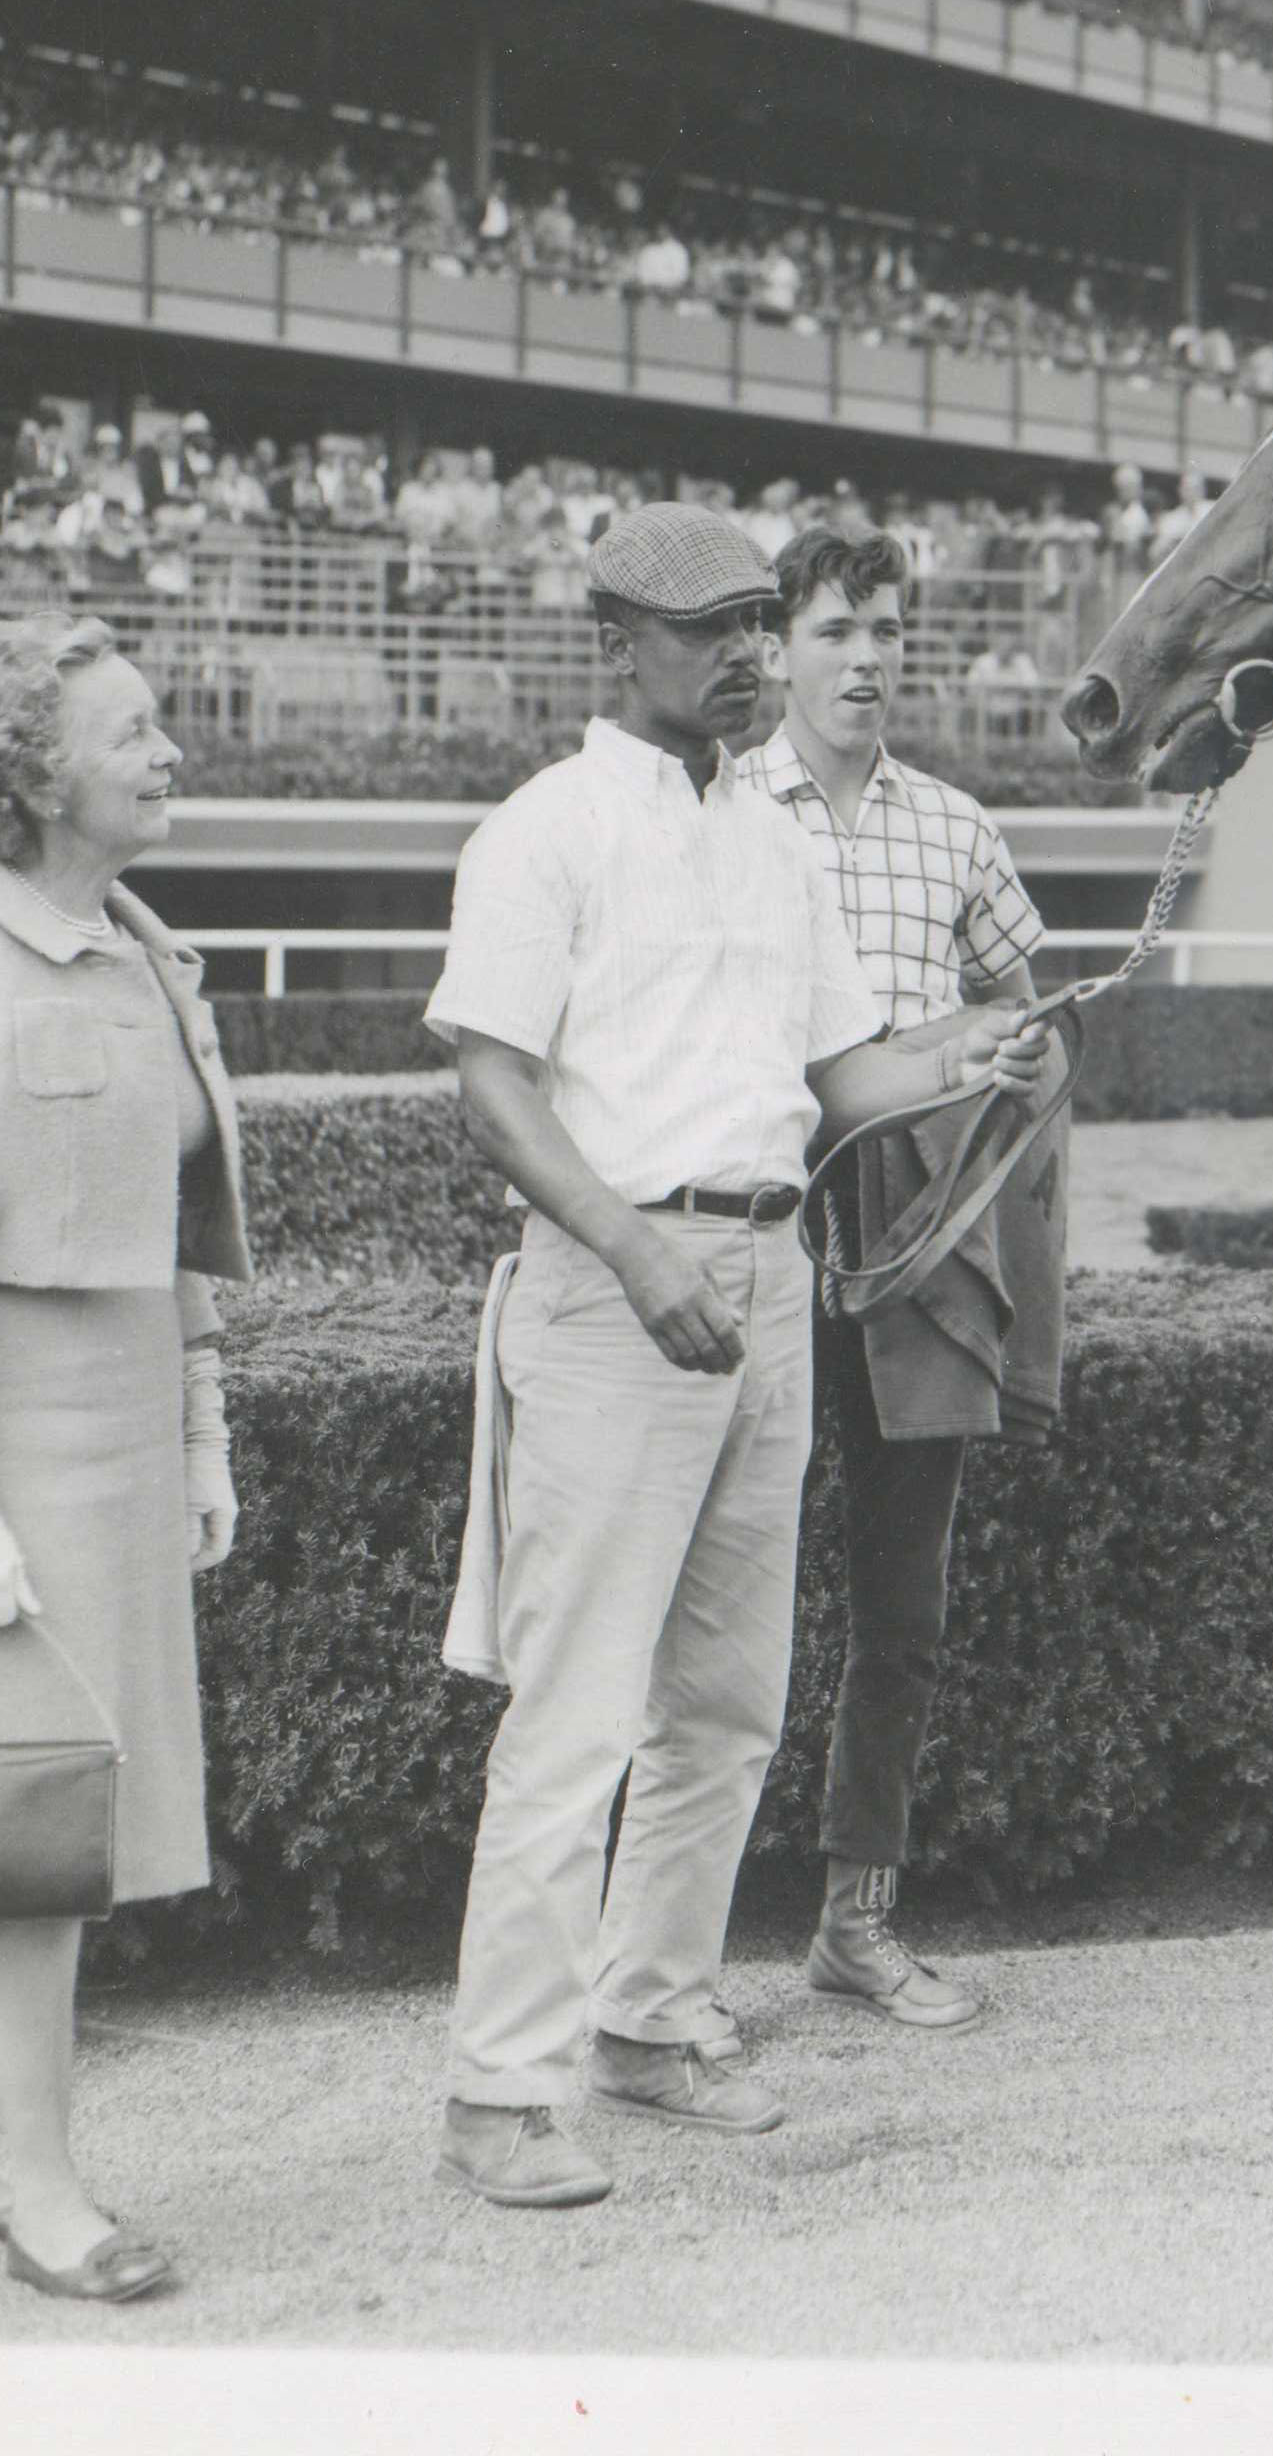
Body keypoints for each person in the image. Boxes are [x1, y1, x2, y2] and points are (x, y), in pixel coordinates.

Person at [426, 507, 1062, 2210]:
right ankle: (499, 2087)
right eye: (711, 626)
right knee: (574, 1710)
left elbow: (843, 1078)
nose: (749, 653)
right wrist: (637, 1256)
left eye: (757, 623)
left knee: (724, 1704)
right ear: (612, 640)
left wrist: (973, 1048)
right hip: (616, 1281)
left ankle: (646, 2016)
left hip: (772, 1279)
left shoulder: (773, 848)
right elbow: (491, 1081)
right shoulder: (542, 832)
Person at [0, 616, 256, 2306]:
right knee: (27, 1827)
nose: (169, 753)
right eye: (135, 733)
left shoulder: (135, 946)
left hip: (116, 1442)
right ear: (35, 775)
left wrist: (204, 1427)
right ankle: (47, 2192)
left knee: (27, 1824)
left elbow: (171, 1231)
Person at [730, 521, 1067, 2037]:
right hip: (752, 1222)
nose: (864, 657)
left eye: (884, 630)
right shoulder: (725, 808)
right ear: (779, 650)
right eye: (833, 630)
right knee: (718, 1616)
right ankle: (659, 1969)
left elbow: (1036, 1013)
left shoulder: (955, 825)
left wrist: (1027, 1046)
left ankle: (855, 1923)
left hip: (919, 1238)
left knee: (901, 1604)